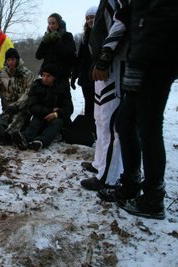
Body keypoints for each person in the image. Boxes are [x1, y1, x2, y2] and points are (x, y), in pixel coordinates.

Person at [98, 0, 178, 220]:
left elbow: (160, 20)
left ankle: (153, 198)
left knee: (149, 128)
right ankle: (131, 183)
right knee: (124, 123)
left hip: (157, 61)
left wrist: (141, 60)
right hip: (139, 60)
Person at [80, 0, 129, 191]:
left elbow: (121, 21)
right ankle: (100, 163)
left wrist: (106, 55)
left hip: (114, 63)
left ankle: (109, 177)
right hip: (101, 64)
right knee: (99, 118)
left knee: (110, 122)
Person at [12, 64, 73, 151]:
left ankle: (40, 142)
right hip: (42, 114)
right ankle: (24, 138)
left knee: (58, 121)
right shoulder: (36, 86)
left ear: (54, 77)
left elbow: (69, 108)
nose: (45, 78)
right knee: (36, 120)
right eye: (43, 75)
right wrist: (50, 110)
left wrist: (56, 114)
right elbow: (32, 106)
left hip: (57, 117)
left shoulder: (62, 88)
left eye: (48, 76)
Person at [0, 48, 35, 145]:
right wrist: (7, 105)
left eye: (13, 59)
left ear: (17, 60)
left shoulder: (27, 74)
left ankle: (8, 136)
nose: (11, 62)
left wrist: (17, 105)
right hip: (9, 106)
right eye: (8, 60)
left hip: (22, 107)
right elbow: (2, 92)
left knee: (15, 123)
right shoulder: (2, 74)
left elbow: (28, 93)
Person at [35, 13, 76, 94]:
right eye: (49, 23)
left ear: (59, 24)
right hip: (47, 76)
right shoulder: (48, 38)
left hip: (61, 77)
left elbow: (67, 54)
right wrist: (44, 42)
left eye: (53, 23)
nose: (51, 26)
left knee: (61, 102)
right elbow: (38, 55)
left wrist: (57, 39)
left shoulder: (67, 36)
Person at [71, 6, 97, 120]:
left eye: (92, 17)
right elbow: (80, 58)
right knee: (89, 103)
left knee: (100, 105)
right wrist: (74, 76)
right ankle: (89, 129)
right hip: (86, 77)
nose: (90, 20)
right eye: (88, 18)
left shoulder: (104, 34)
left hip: (99, 75)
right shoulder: (84, 37)